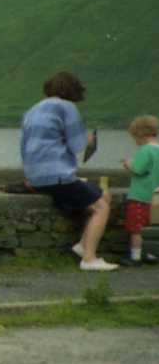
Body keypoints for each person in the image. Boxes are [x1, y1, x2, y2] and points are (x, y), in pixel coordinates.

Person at [19, 71, 116, 270]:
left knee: (100, 196)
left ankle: (83, 245)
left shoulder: (32, 110)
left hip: (35, 176)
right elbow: (77, 145)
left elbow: (24, 144)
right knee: (102, 207)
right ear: (73, 91)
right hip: (57, 176)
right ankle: (89, 259)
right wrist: (88, 140)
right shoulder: (66, 107)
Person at [120, 114, 158, 265]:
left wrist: (128, 163)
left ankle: (135, 257)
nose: (135, 142)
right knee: (151, 228)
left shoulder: (145, 150)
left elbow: (139, 170)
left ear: (141, 134)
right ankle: (150, 253)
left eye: (135, 138)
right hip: (155, 197)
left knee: (136, 228)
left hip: (140, 196)